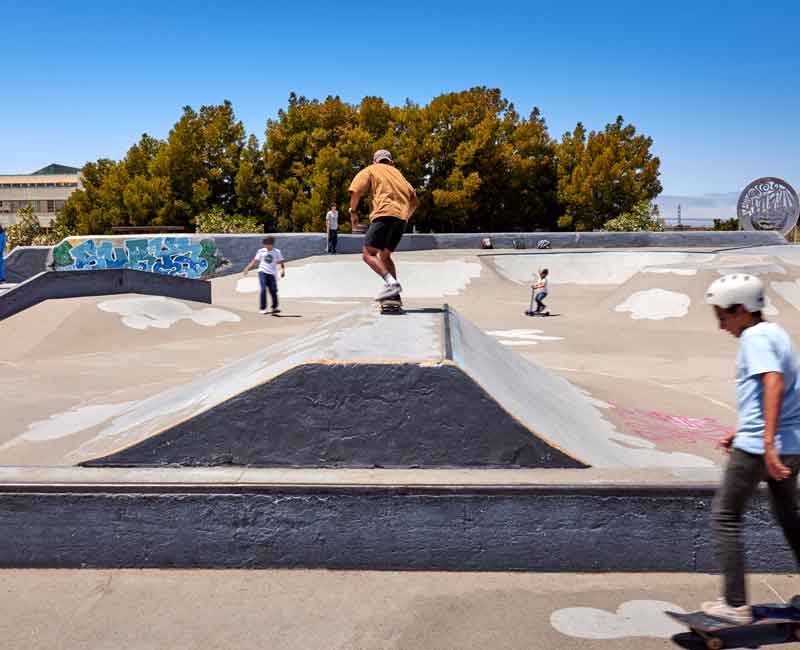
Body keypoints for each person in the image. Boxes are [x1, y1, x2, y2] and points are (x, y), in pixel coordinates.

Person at [702, 274, 800, 623]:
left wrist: (765, 442)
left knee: (725, 517)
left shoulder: (755, 339)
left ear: (742, 310)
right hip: (789, 443)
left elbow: (772, 382)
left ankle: (734, 603)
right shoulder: (776, 333)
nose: (720, 325)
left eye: (723, 316)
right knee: (790, 518)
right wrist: (743, 430)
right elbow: (779, 394)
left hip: (761, 448)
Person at [348, 149, 418, 301]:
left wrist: (353, 212)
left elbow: (356, 192)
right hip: (401, 219)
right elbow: (414, 200)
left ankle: (392, 284)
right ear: (391, 162)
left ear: (375, 161)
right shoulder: (400, 175)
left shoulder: (371, 170)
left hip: (383, 214)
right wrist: (405, 216)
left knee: (368, 254)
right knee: (385, 256)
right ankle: (394, 296)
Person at [242, 236, 286, 314]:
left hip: (272, 273)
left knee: (273, 291)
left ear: (272, 244)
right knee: (263, 289)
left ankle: (274, 307)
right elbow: (255, 261)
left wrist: (283, 270)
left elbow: (281, 261)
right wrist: (247, 268)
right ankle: (262, 308)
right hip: (262, 272)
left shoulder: (277, 252)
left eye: (268, 244)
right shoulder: (261, 251)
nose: (266, 246)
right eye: (265, 244)